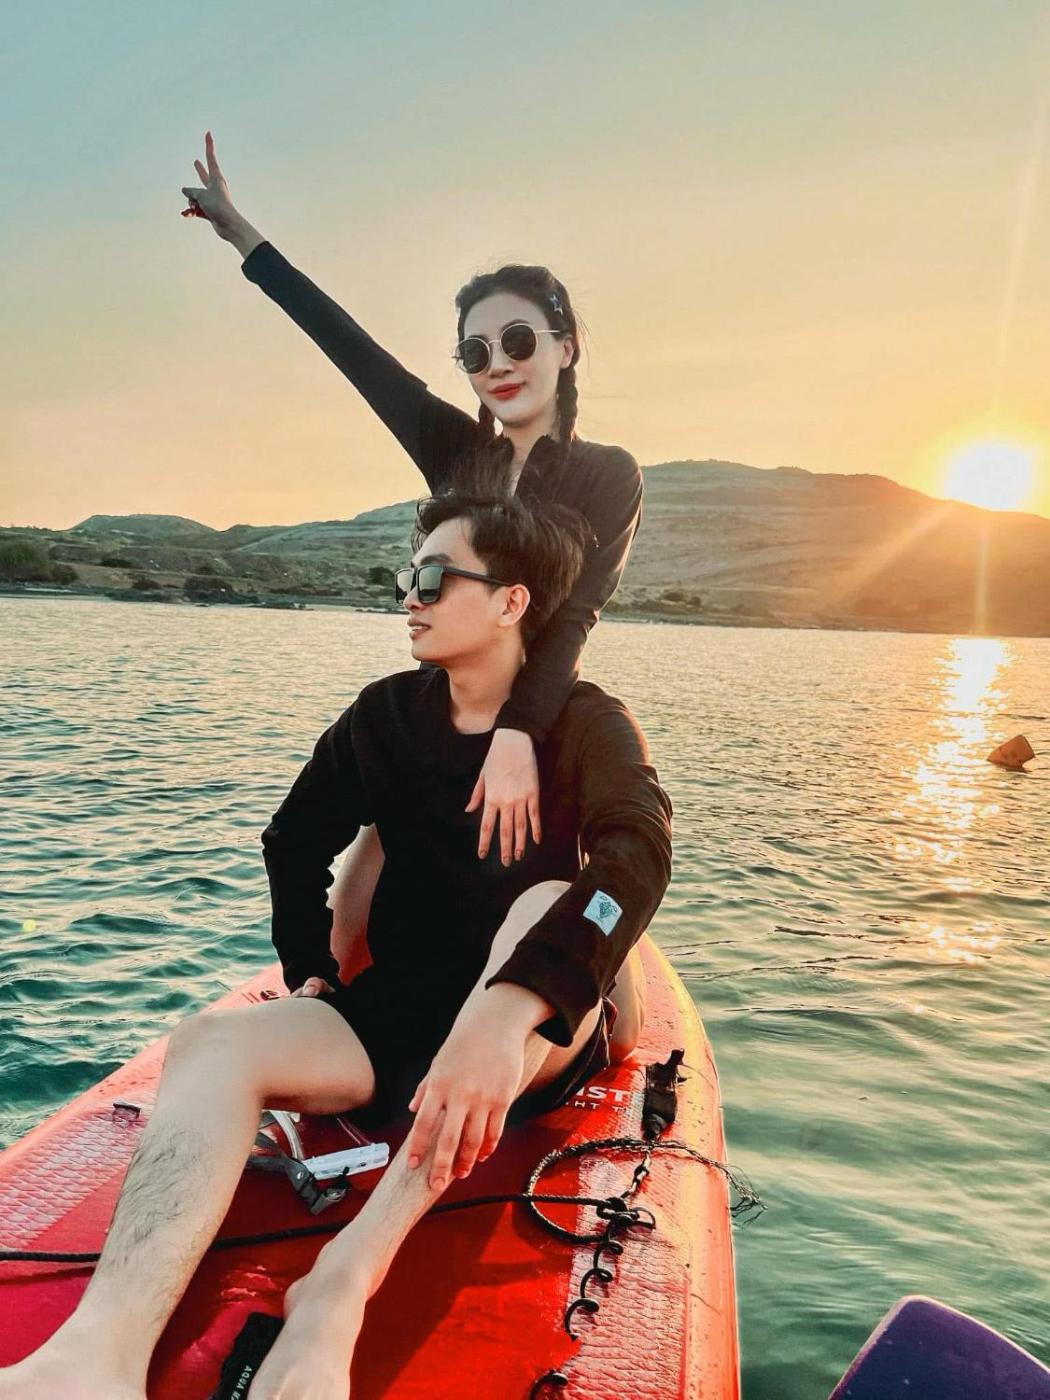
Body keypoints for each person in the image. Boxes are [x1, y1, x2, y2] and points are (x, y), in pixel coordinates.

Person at [0, 491, 672, 1400]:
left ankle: (341, 1283)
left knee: (546, 899)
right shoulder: (384, 717)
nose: (410, 597)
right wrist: (310, 969)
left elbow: (639, 850)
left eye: (433, 578)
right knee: (212, 1043)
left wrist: (501, 1014)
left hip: (528, 1032)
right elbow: (293, 841)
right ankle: (97, 1354)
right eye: (407, 578)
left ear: (511, 602)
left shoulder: (588, 723)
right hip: (398, 1014)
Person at [179, 132, 646, 970]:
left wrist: (518, 735)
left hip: (541, 709)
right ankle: (329, 1009)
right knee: (361, 883)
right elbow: (351, 349)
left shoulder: (607, 474)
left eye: (519, 341)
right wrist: (242, 235)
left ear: (565, 346)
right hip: (446, 706)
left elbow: (576, 617)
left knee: (540, 886)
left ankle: (580, 997)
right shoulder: (457, 450)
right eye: (475, 352)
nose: (498, 366)